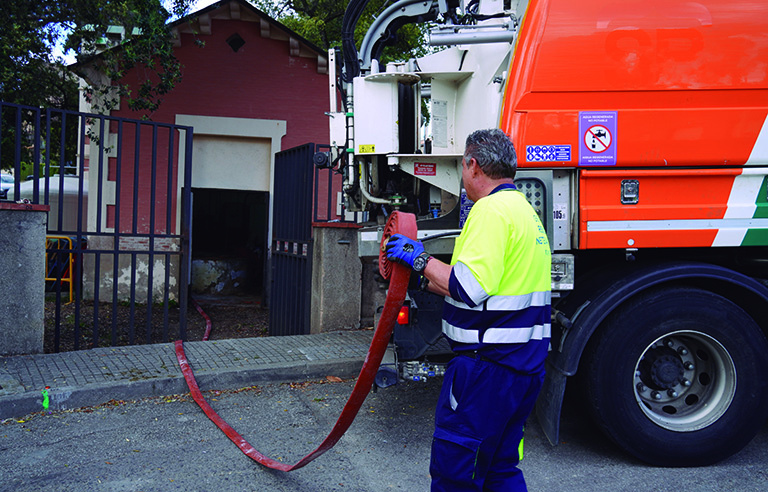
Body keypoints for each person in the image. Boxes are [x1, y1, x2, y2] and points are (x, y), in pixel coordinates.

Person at [386, 128, 551, 491]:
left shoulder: (489, 211)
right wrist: (421, 278)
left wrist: (418, 257)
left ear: (472, 165)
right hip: (522, 367)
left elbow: (467, 287)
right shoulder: (523, 210)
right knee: (500, 469)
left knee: (456, 471)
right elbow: (487, 288)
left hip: (485, 369)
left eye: (463, 168)